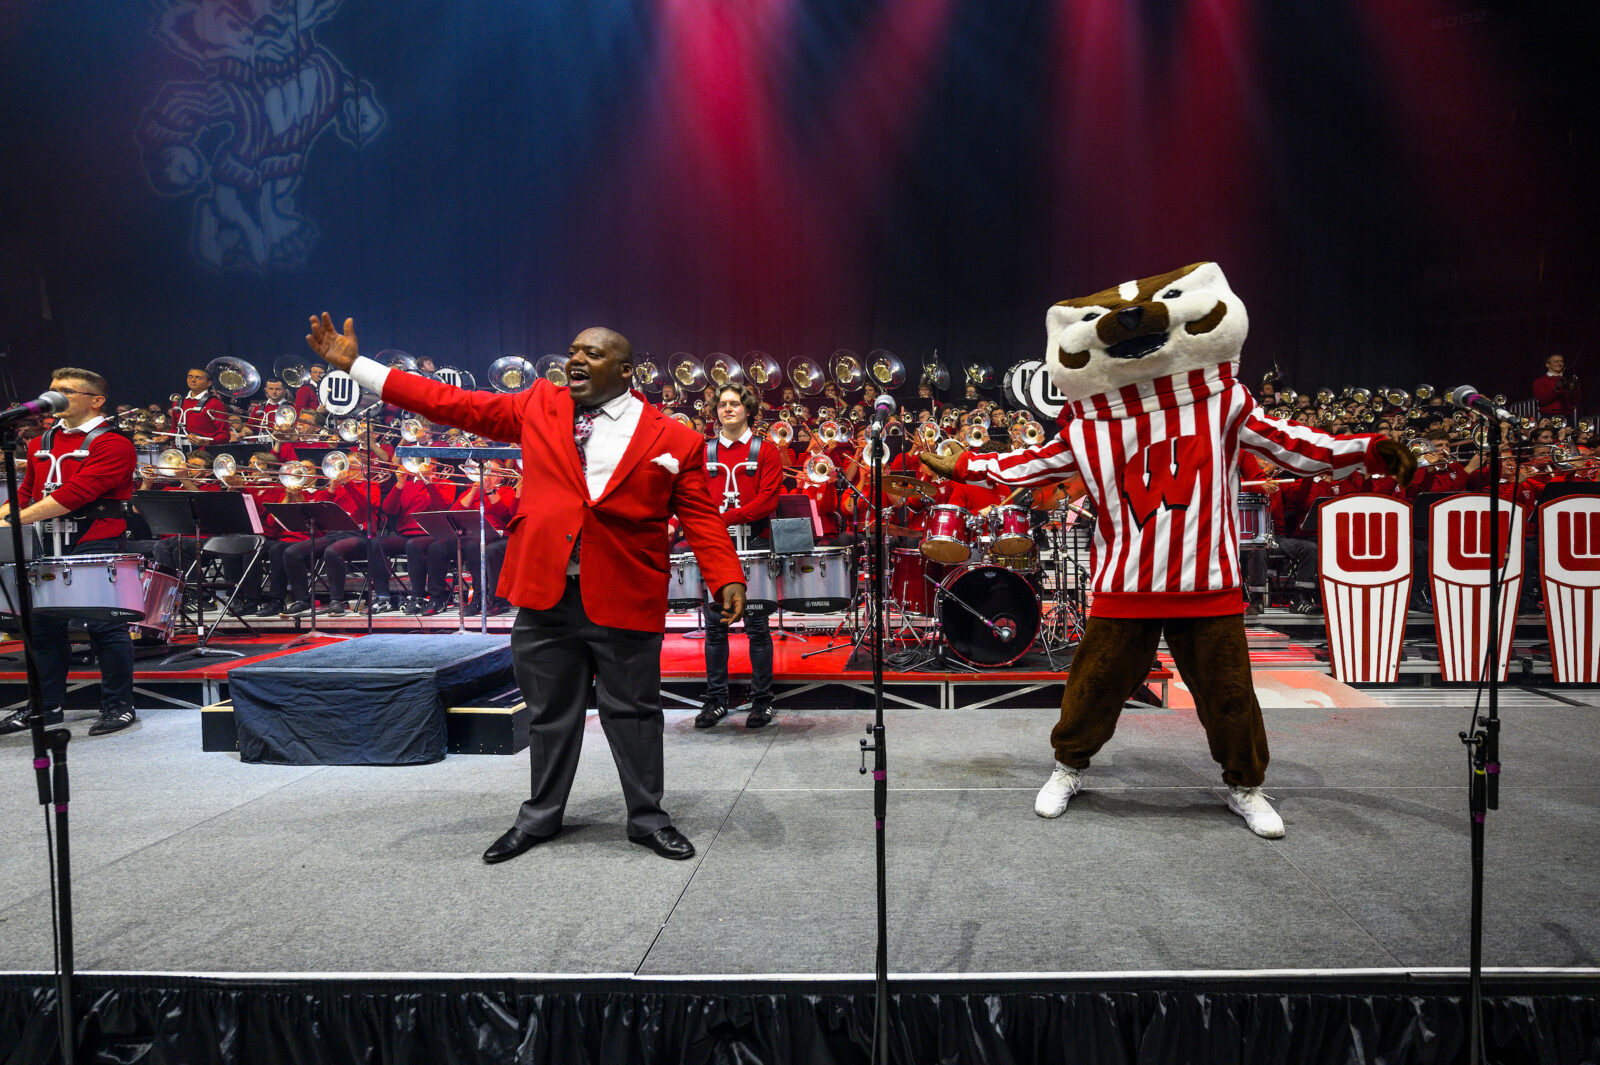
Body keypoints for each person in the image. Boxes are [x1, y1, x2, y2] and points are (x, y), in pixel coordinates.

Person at [307, 313, 746, 864]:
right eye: (573, 350)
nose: (576, 359)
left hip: (626, 592)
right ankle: (540, 817)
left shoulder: (673, 437)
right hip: (545, 593)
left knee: (633, 712)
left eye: (591, 353)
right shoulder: (540, 404)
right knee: (548, 713)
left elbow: (701, 515)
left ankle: (647, 818)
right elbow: (450, 404)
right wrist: (359, 368)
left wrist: (725, 573)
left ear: (626, 370)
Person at [0, 368, 139, 736]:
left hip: (96, 537)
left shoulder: (114, 443)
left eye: (65, 391)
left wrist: (16, 518)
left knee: (104, 625)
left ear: (96, 400)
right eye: (52, 389)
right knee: (43, 627)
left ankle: (118, 705)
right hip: (46, 540)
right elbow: (28, 491)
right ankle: (45, 708)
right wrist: (5, 515)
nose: (54, 395)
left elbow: (75, 494)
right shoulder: (40, 442)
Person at [693, 384, 782, 729]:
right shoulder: (704, 451)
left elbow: (768, 501)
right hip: (716, 546)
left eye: (735, 404)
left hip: (754, 543)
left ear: (747, 410)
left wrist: (726, 517)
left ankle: (762, 701)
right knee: (715, 629)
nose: (728, 409)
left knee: (757, 627)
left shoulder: (767, 450)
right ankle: (715, 701)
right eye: (723, 405)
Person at [171, 367, 230, 446]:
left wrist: (207, 442)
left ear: (209, 383)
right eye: (190, 377)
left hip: (204, 454)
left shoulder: (215, 404)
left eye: (198, 378)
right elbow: (174, 430)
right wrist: (165, 437)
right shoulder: (177, 403)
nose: (193, 380)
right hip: (178, 454)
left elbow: (224, 435)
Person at [1533, 353, 1580, 421]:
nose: (1560, 364)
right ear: (1547, 364)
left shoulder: (1569, 380)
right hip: (1549, 416)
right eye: (1556, 361)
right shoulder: (1540, 381)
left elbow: (1576, 400)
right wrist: (1556, 389)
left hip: (1567, 416)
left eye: (1561, 361)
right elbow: (1543, 399)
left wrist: (1574, 388)